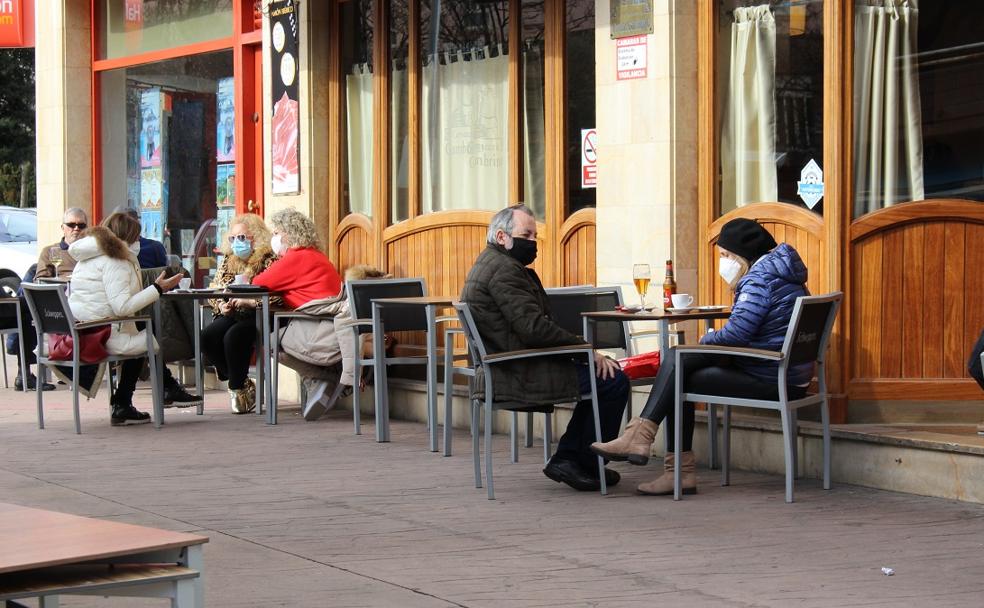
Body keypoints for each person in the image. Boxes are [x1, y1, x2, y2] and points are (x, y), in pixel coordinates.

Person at [591, 218, 811, 495]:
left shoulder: (760, 279)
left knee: (678, 372)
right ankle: (645, 441)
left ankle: (661, 457)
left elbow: (736, 334)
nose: (722, 262)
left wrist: (705, 340)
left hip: (771, 375)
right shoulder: (782, 274)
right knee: (679, 363)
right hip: (784, 372)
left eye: (725, 255)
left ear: (741, 255)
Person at [460, 204, 629, 492]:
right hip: (518, 370)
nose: (533, 242)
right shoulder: (504, 271)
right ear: (502, 237)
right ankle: (574, 459)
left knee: (602, 377)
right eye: (526, 234)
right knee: (612, 380)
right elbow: (533, 329)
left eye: (535, 235)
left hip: (510, 363)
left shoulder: (491, 263)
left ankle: (581, 460)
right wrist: (586, 350)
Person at [66, 212, 182, 425]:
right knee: (147, 338)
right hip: (101, 334)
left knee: (142, 330)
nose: (139, 242)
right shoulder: (116, 261)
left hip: (81, 331)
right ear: (125, 238)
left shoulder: (86, 257)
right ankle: (125, 402)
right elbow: (122, 307)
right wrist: (157, 288)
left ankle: (159, 391)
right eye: (136, 237)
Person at [200, 213, 281, 414]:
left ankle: (237, 389)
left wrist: (251, 302)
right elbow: (216, 288)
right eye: (233, 238)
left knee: (233, 337)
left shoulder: (270, 258)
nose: (237, 243)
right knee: (208, 336)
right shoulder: (229, 259)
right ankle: (242, 380)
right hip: (234, 311)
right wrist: (221, 305)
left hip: (260, 313)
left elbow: (279, 295)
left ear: (256, 237)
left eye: (242, 238)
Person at [8, 207, 89, 391]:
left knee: (26, 309)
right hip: (59, 301)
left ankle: (28, 371)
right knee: (30, 312)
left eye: (81, 225)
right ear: (63, 227)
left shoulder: (91, 252)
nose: (76, 229)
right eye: (71, 225)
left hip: (85, 300)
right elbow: (41, 280)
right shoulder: (50, 252)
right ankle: (25, 371)